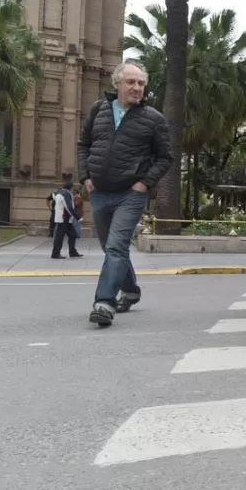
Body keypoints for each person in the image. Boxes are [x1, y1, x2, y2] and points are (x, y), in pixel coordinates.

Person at [78, 60, 172, 327]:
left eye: (141, 83)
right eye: (131, 82)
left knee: (116, 247)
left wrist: (144, 183)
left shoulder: (153, 119)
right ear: (117, 83)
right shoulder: (98, 110)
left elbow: (165, 157)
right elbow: (84, 144)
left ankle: (104, 303)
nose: (136, 87)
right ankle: (130, 291)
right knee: (112, 249)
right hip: (98, 192)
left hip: (131, 194)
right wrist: (84, 176)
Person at [50, 181, 83, 259]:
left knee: (73, 235)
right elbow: (68, 207)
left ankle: (72, 252)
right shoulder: (66, 194)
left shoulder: (59, 193)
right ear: (71, 187)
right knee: (59, 237)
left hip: (65, 219)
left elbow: (54, 204)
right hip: (64, 218)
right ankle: (55, 254)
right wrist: (77, 217)